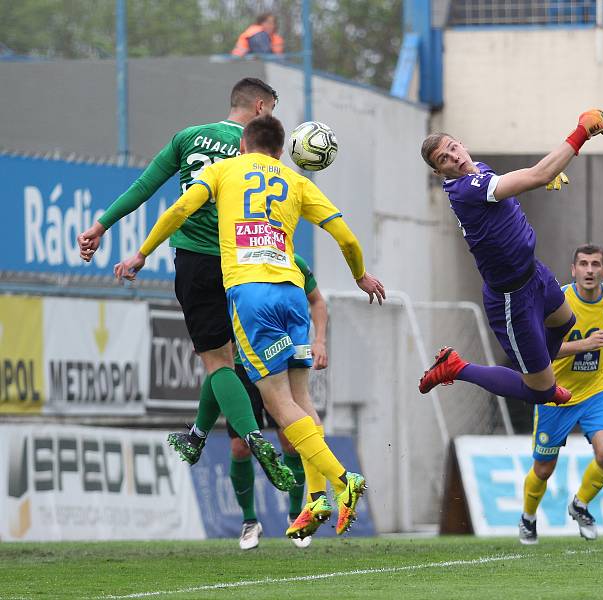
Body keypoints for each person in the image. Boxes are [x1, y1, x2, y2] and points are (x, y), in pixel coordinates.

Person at [114, 114, 385, 540]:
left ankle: (340, 480)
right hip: (294, 293)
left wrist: (142, 253)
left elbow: (181, 209)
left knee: (277, 404)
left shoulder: (223, 169)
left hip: (252, 294)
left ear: (243, 144)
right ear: (281, 150)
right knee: (300, 400)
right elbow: (348, 239)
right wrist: (360, 276)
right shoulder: (297, 182)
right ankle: (315, 498)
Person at [77, 79, 296, 493]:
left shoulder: (188, 137)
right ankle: (199, 435)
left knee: (217, 363)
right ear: (262, 107)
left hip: (195, 261)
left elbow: (144, 188)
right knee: (228, 360)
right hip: (247, 265)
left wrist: (101, 226)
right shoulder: (257, 152)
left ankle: (247, 435)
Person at [417, 110, 603, 408]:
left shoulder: (478, 169)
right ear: (439, 172)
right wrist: (581, 132)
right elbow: (538, 174)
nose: (453, 157)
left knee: (563, 321)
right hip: (511, 297)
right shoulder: (466, 189)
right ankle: (456, 367)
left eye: (453, 148)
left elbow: (524, 180)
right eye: (444, 159)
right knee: (541, 394)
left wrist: (538, 177)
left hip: (534, 273)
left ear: (462, 144)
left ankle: (540, 373)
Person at [518, 244, 603, 545]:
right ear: (573, 270)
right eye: (583, 264)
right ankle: (528, 518)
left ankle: (580, 504)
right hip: (554, 393)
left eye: (595, 264)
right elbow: (540, 349)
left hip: (595, 391)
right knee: (543, 470)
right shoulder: (557, 301)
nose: (589, 270)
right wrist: (584, 345)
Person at [229, 252, 328, 550]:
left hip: (281, 361)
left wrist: (319, 340)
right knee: (240, 445)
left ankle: (296, 515)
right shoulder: (235, 259)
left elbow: (318, 302)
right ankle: (249, 521)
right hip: (242, 363)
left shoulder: (293, 261)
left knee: (290, 437)